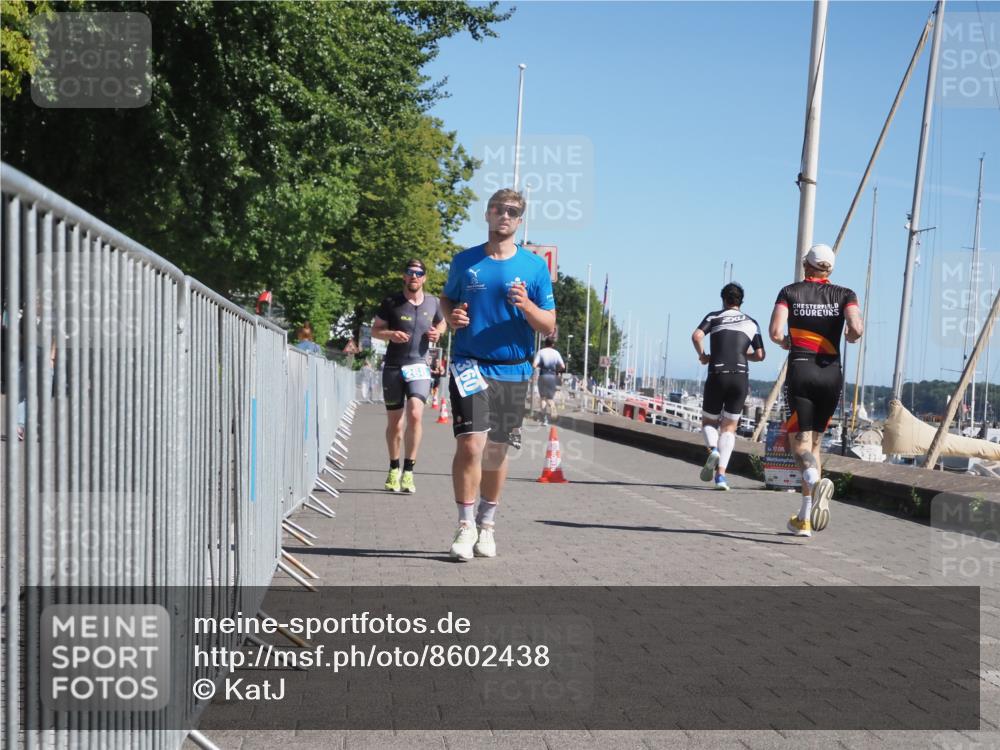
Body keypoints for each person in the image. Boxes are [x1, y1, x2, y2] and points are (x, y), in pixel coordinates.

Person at [440, 188, 556, 561]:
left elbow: (549, 323)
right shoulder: (465, 261)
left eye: (512, 211)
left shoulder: (535, 268)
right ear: (487, 215)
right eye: (497, 209)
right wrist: (451, 316)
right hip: (468, 364)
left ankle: (487, 525)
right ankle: (464, 524)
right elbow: (448, 300)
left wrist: (526, 306)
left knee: (495, 450)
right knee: (471, 444)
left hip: (513, 369)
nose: (504, 215)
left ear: (520, 221)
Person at [768, 244, 863, 537]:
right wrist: (850, 333)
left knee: (800, 447)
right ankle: (805, 518)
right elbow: (856, 328)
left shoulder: (789, 292)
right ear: (829, 270)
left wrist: (786, 341)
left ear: (806, 265)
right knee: (817, 445)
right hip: (831, 374)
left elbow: (774, 332)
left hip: (800, 371)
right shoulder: (845, 294)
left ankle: (811, 476)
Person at [372, 259, 446, 494]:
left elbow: (443, 325)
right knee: (395, 422)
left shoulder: (434, 302)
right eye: (410, 273)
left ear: (424, 277)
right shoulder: (391, 302)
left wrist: (438, 332)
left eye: (418, 273)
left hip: (418, 365)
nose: (414, 276)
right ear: (404, 277)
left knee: (415, 413)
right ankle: (394, 468)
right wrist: (390, 334)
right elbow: (375, 329)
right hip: (394, 366)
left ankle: (409, 471)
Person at [692, 282, 765, 491]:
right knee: (730, 428)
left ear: (724, 300)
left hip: (718, 373)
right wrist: (744, 355)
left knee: (709, 422)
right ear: (741, 301)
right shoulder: (752, 322)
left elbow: (696, 336)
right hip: (740, 377)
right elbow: (760, 355)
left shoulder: (714, 317)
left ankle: (713, 449)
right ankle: (721, 477)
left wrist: (703, 356)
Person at [533, 337, 565, 425]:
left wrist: (541, 367)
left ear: (545, 343)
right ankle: (553, 411)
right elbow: (563, 366)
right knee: (550, 398)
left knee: (543, 398)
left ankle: (544, 419)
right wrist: (556, 370)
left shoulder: (541, 352)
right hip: (552, 376)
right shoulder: (556, 353)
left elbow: (534, 365)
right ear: (553, 344)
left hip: (543, 375)